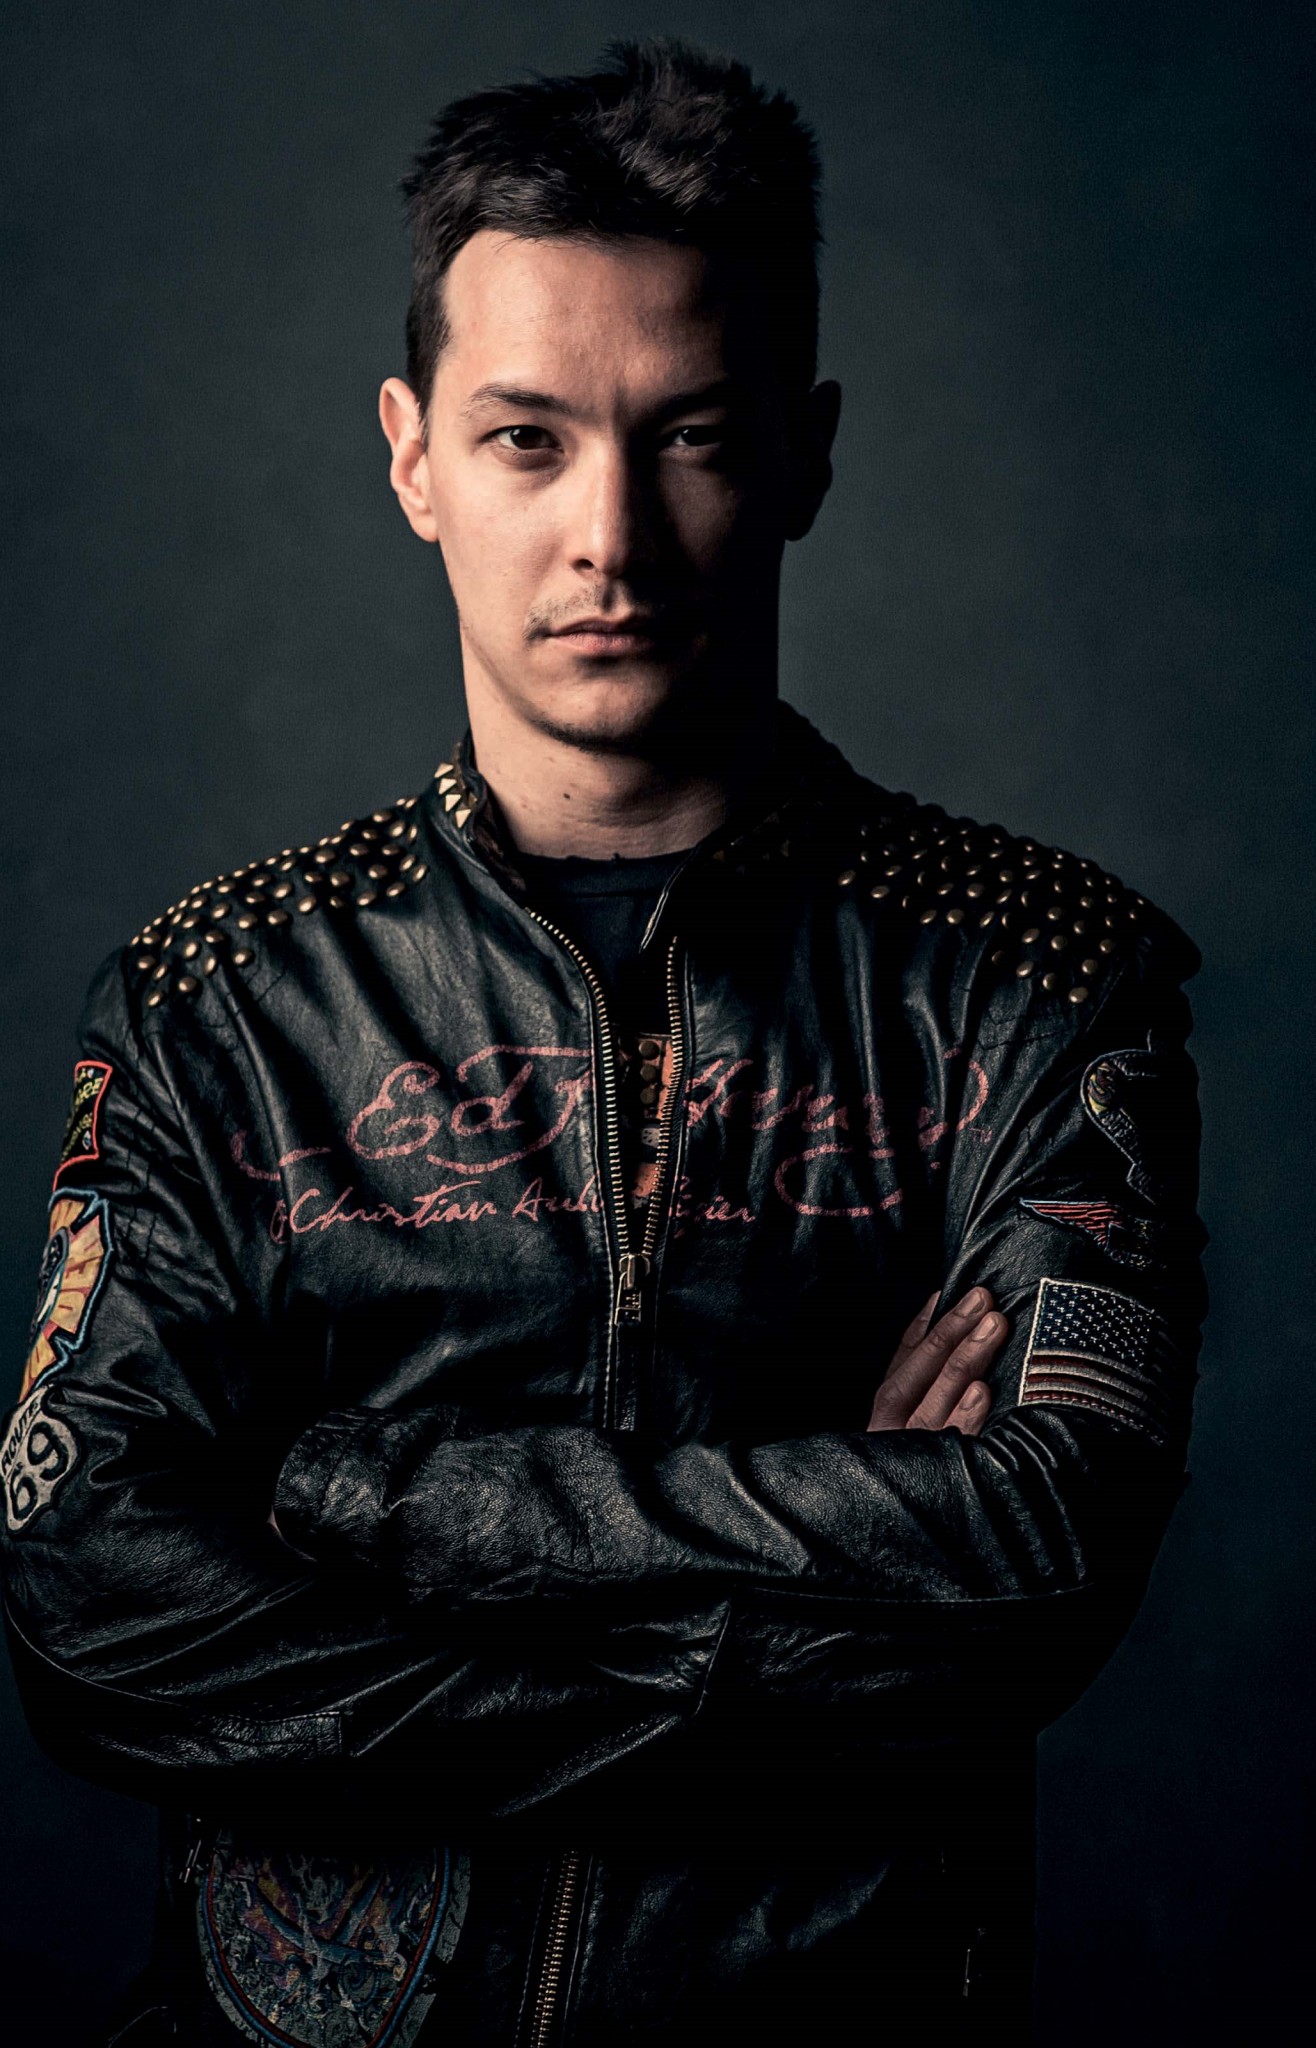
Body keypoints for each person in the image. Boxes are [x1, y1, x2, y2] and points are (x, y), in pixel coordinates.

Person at [1, 39, 1206, 2048]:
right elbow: (87, 1611)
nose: (611, 538)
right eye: (527, 439)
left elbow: (1045, 1553)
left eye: (694, 436)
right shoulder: (219, 1006)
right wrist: (828, 1549)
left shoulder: (1037, 984)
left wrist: (375, 1499)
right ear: (412, 458)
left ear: (806, 453)